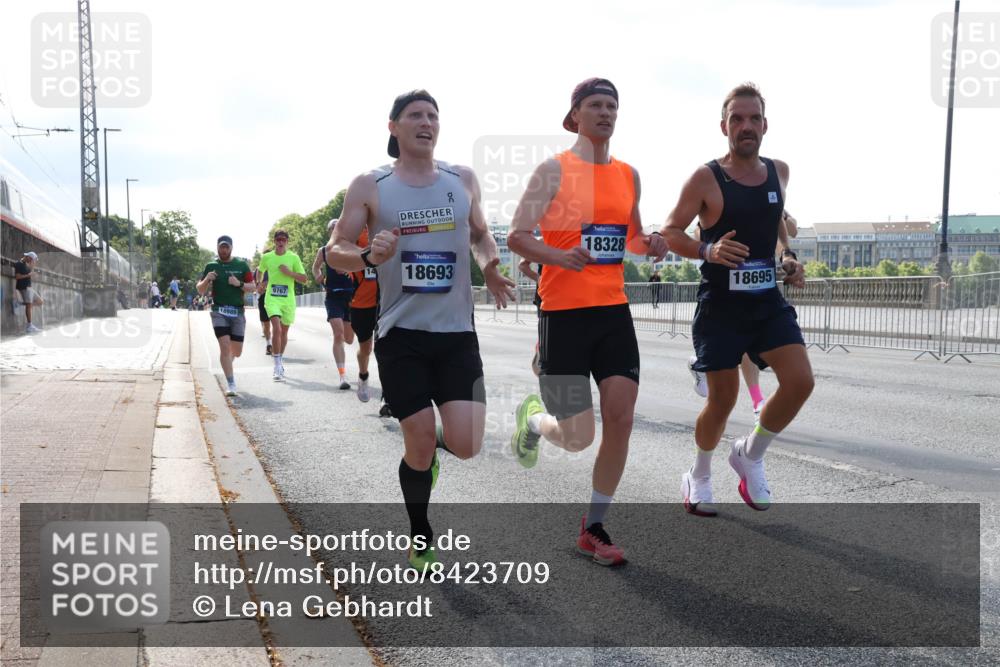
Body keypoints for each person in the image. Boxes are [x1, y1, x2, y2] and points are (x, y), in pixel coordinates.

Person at [326, 89, 514, 570]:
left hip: (456, 334)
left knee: (468, 446)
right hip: (400, 334)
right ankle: (421, 532)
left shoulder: (461, 179)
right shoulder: (371, 184)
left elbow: (479, 233)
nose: (426, 122)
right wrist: (367, 255)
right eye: (415, 115)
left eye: (433, 115)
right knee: (419, 437)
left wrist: (490, 265)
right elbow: (335, 249)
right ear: (394, 127)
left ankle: (427, 457)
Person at [507, 78, 667, 566]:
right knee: (579, 436)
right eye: (595, 105)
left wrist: (653, 242)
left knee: (621, 416)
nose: (605, 112)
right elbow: (517, 236)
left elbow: (633, 238)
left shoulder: (629, 175)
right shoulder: (552, 171)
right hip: (563, 314)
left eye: (612, 105)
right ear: (574, 115)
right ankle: (534, 419)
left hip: (613, 312)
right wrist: (559, 254)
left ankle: (593, 526)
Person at [660, 82, 812, 517]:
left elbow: (777, 224)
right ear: (724, 125)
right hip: (721, 306)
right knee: (722, 400)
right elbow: (670, 232)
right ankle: (700, 474)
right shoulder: (706, 177)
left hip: (766, 301)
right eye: (738, 119)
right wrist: (708, 250)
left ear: (766, 124)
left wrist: (788, 258)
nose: (747, 126)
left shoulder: (779, 171)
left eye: (754, 118)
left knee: (800, 381)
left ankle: (750, 454)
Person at [687, 208, 800, 415]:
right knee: (724, 373)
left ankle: (757, 402)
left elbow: (793, 231)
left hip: (759, 286)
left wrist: (785, 217)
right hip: (723, 281)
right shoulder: (724, 193)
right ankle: (700, 362)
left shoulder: (772, 194)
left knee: (750, 351)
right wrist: (712, 247)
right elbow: (697, 230)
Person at [197, 236, 255, 395]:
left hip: (237, 312)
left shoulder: (241, 265)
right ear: (217, 248)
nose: (224, 250)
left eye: (226, 247)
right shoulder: (211, 266)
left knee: (236, 351)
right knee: (224, 346)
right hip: (219, 311)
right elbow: (200, 290)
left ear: (231, 248)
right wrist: (207, 280)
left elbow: (253, 287)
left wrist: (239, 284)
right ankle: (231, 384)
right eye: (221, 247)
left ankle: (227, 363)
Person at [257, 229, 308, 381]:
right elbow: (259, 270)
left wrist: (289, 273)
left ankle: (279, 360)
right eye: (278, 239)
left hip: (288, 300)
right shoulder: (267, 257)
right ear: (274, 241)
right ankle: (277, 365)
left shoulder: (293, 258)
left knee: (284, 333)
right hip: (272, 298)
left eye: (283, 240)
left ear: (287, 242)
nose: (280, 242)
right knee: (276, 329)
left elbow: (304, 278)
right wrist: (259, 283)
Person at [313, 219, 357, 390]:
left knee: (349, 338)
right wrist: (318, 275)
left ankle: (343, 371)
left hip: (350, 297)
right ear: (328, 232)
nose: (334, 230)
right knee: (338, 334)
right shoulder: (323, 251)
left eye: (337, 227)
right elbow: (315, 267)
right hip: (333, 297)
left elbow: (363, 266)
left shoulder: (350, 248)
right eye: (331, 228)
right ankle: (342, 375)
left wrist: (350, 269)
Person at [348, 224, 380, 402]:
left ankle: (388, 396)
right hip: (361, 303)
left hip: (387, 301)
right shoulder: (355, 231)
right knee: (366, 348)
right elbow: (341, 253)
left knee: (387, 348)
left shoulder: (389, 225)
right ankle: (363, 376)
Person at [517, 258, 543, 376]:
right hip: (547, 296)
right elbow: (522, 265)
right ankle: (541, 350)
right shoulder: (543, 242)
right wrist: (540, 278)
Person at [13, 251, 43, 333]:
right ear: (29, 258)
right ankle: (29, 326)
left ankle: (26, 305)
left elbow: (28, 275)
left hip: (29, 288)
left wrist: (32, 273)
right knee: (29, 305)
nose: (32, 262)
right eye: (32, 260)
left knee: (40, 301)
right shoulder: (19, 264)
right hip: (24, 288)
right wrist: (29, 275)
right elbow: (17, 277)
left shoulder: (27, 265)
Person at [254, 266, 272, 355]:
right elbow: (256, 286)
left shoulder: (278, 265)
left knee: (278, 323)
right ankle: (269, 344)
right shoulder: (259, 269)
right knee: (266, 323)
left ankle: (275, 344)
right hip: (263, 298)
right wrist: (259, 286)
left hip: (277, 298)